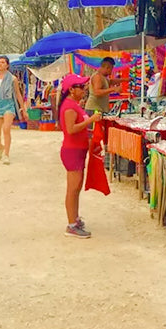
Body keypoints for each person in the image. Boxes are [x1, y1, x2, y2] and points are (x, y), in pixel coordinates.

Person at [58, 73, 101, 238]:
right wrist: (91, 121)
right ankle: (71, 224)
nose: (84, 89)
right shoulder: (69, 107)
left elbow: (79, 128)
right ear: (71, 90)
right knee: (73, 189)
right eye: (81, 87)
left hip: (78, 150)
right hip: (72, 151)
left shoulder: (74, 105)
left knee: (76, 188)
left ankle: (75, 219)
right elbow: (71, 129)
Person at [0, 55, 27, 164]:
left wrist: (23, 108)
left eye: (3, 62)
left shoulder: (13, 78)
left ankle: (6, 155)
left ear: (7, 65)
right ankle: (0, 146)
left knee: (6, 129)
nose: (1, 64)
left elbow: (18, 94)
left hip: (8, 105)